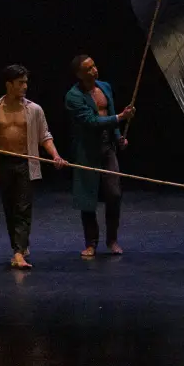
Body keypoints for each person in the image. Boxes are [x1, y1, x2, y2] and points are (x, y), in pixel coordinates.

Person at [0, 64, 68, 269]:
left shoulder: (34, 110)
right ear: (9, 84)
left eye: (26, 82)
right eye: (20, 83)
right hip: (3, 163)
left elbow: (44, 136)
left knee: (23, 207)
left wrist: (56, 156)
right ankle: (19, 245)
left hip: (25, 163)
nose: (25, 86)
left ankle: (18, 252)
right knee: (10, 208)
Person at [64, 54, 135, 258]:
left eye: (94, 66)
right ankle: (91, 243)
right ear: (79, 74)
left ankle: (112, 240)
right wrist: (120, 117)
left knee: (114, 194)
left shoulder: (105, 87)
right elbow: (91, 121)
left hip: (107, 148)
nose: (94, 70)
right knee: (88, 198)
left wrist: (119, 137)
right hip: (86, 150)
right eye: (88, 68)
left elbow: (110, 114)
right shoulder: (73, 96)